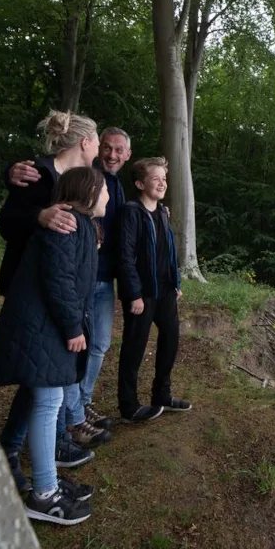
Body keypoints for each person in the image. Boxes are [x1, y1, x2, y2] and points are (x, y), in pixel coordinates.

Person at [0, 165, 109, 525]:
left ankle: (47, 481)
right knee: (48, 402)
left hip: (45, 328)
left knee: (48, 401)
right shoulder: (66, 225)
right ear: (87, 193)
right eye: (104, 191)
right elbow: (59, 280)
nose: (109, 197)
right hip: (40, 328)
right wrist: (72, 327)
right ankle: (44, 494)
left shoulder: (81, 226)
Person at [7, 128, 132, 429]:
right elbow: (39, 179)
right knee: (67, 350)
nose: (111, 154)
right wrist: (9, 173)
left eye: (119, 150)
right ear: (92, 146)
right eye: (106, 147)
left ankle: (79, 406)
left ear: (128, 155)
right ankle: (69, 421)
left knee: (96, 346)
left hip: (100, 278)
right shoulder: (80, 176)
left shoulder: (116, 186)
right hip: (68, 281)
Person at [117, 157, 192, 423]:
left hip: (165, 291)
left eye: (164, 178)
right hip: (142, 293)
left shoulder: (162, 212)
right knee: (134, 347)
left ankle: (162, 394)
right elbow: (124, 256)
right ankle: (129, 406)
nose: (162, 183)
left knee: (171, 338)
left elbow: (168, 250)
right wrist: (134, 293)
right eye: (155, 178)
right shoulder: (131, 212)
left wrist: (176, 283)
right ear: (140, 183)